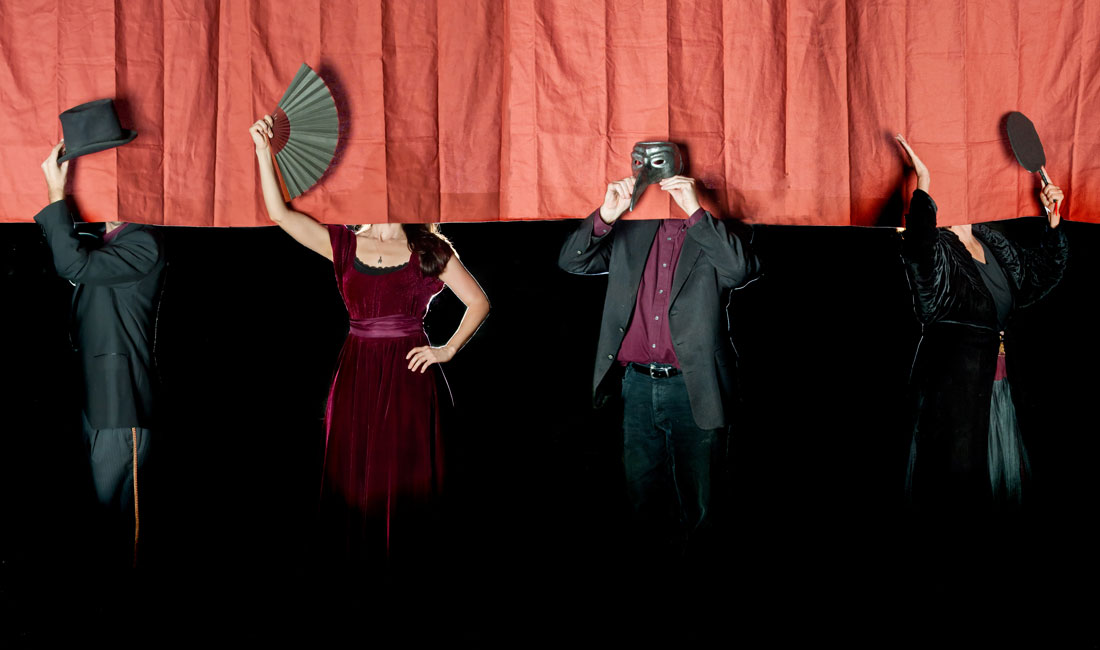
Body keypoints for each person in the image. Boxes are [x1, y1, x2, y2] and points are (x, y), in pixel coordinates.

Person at [249, 114, 490, 565]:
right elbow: (279, 214)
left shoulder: (430, 251)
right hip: (357, 371)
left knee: (404, 474)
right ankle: (359, 575)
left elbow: (478, 302)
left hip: (408, 377)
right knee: (356, 473)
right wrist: (265, 152)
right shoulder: (344, 244)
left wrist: (446, 350)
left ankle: (409, 570)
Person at [558, 149, 761, 558]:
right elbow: (571, 262)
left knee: (703, 504)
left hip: (694, 386)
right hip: (636, 386)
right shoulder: (631, 229)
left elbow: (740, 271)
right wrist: (607, 215)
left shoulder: (716, 228)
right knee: (642, 501)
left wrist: (695, 212)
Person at [895, 133, 1068, 513]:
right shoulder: (935, 246)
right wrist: (922, 185)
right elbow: (919, 255)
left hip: (998, 389)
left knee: (999, 492)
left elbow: (1039, 276)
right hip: (953, 398)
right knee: (957, 495)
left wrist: (1052, 223)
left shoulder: (992, 241)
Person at [34, 106, 166, 568]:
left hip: (121, 404)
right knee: (101, 522)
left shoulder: (142, 243)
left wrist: (55, 192)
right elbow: (70, 256)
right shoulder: (104, 245)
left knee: (124, 531)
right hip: (98, 403)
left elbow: (72, 264)